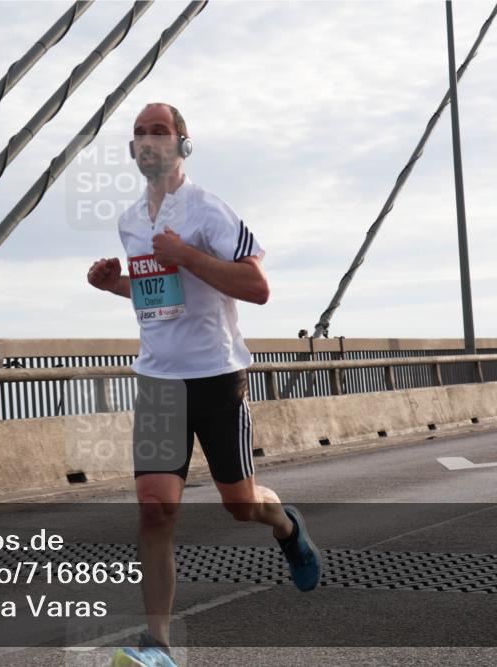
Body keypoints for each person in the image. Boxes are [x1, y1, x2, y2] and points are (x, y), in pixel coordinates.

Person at [86, 103, 322, 667]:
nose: (148, 140)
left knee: (241, 505)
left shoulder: (209, 209)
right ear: (131, 151)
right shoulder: (129, 221)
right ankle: (158, 646)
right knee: (154, 510)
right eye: (139, 133)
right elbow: (160, 298)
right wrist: (116, 284)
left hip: (217, 376)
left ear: (182, 144)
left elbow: (257, 287)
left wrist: (187, 254)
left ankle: (288, 527)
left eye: (159, 131)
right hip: (158, 382)